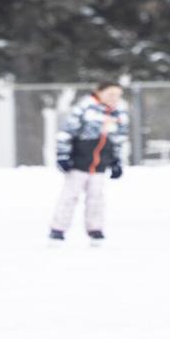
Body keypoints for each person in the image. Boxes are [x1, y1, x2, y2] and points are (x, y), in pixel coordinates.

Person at [49, 81, 130, 246]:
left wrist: (116, 161)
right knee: (69, 196)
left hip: (100, 164)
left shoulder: (118, 114)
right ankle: (58, 229)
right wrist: (63, 156)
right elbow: (66, 133)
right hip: (79, 162)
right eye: (110, 94)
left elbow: (118, 140)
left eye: (118, 95)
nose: (114, 98)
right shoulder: (84, 109)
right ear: (99, 92)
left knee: (96, 198)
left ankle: (95, 229)